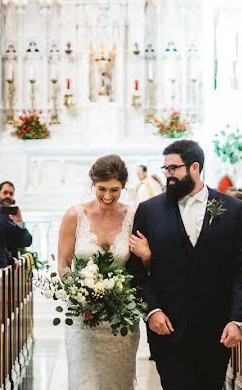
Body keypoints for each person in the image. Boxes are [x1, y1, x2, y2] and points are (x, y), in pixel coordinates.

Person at [128, 140, 242, 390]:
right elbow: (135, 271)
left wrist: (237, 320)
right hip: (167, 326)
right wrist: (152, 310)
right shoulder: (149, 211)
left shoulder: (233, 209)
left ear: (195, 167)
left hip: (216, 327)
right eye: (165, 169)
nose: (168, 175)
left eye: (173, 168)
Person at [56, 155, 151, 389]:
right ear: (92, 182)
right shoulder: (74, 216)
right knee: (84, 381)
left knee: (118, 382)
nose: (108, 196)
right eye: (102, 189)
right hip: (83, 316)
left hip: (121, 319)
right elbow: (63, 264)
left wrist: (147, 255)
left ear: (124, 186)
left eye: (115, 190)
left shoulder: (134, 216)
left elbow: (145, 268)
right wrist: (82, 296)